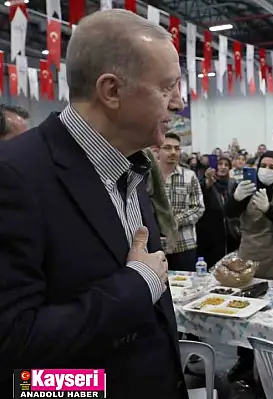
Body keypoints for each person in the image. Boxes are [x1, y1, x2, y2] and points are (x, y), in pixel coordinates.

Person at [0, 10, 187, 397]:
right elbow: (14, 352)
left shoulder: (130, 165)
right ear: (112, 91)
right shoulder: (15, 177)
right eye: (168, 88)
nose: (179, 103)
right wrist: (136, 285)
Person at [227, 151, 273, 280]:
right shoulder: (247, 186)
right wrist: (235, 199)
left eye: (272, 167)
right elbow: (228, 213)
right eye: (263, 165)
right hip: (248, 249)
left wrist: (268, 210)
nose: (266, 170)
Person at [159, 133, 205, 271]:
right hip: (156, 246)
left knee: (186, 289)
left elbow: (198, 208)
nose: (173, 152)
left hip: (184, 244)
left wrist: (174, 221)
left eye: (177, 148)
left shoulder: (189, 176)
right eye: (167, 147)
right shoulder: (148, 175)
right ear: (157, 150)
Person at [197, 157, 240, 267]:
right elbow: (202, 198)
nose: (223, 167)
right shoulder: (206, 181)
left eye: (226, 165)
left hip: (230, 230)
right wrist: (208, 183)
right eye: (220, 164)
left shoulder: (233, 184)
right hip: (211, 231)